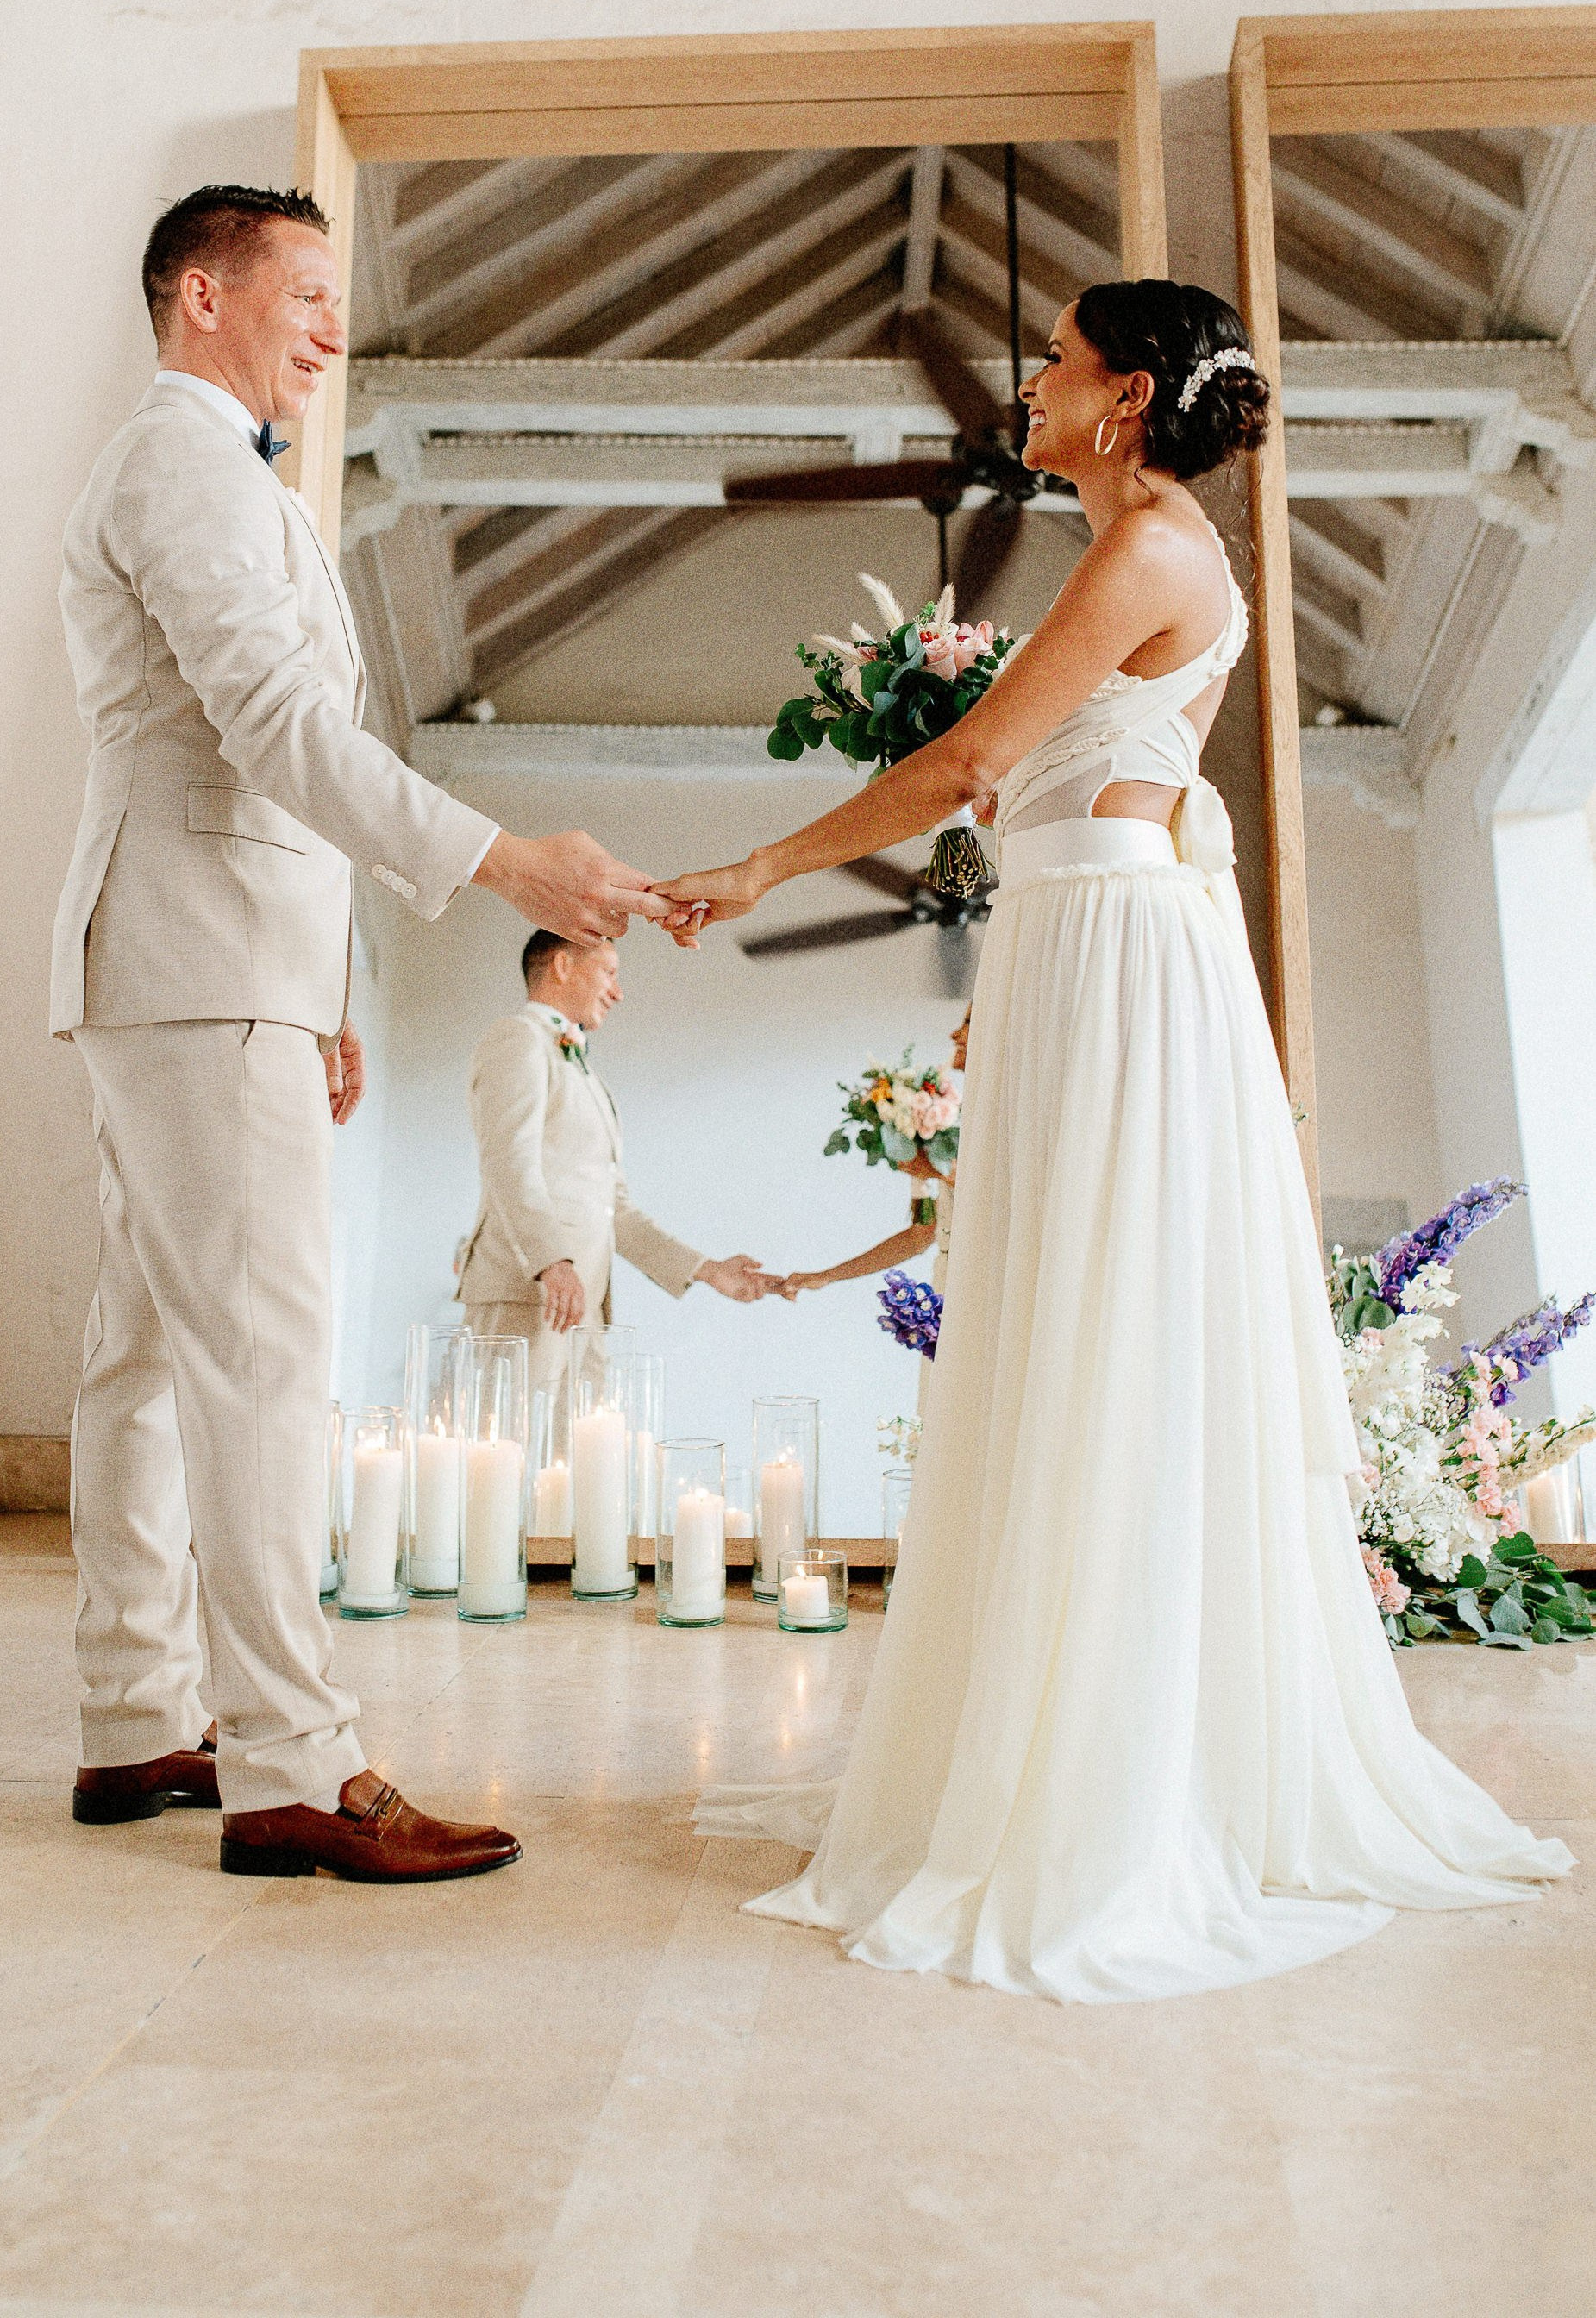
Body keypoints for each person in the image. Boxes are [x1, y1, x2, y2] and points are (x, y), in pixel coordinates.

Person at [664, 279, 1569, 2002]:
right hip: (1074, 941)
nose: (1027, 380)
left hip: (1106, 949)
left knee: (1100, 1332)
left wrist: (758, 868)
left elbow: (968, 770)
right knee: (1054, 1323)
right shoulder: (1130, 542)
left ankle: (1110, 1782)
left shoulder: (1149, 545)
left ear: (1127, 391)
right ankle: (1032, 1741)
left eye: (1059, 360)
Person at [55, 184, 672, 1885]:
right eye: (305, 292)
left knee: (140, 1350)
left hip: (191, 955)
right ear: (201, 294)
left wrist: (320, 988)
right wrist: (497, 858)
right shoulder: (184, 461)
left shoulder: (212, 472)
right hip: (193, 958)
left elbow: (238, 744)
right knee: (254, 1357)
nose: (333, 328)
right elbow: (267, 726)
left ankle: (135, 1718)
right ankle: (291, 1766)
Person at [460, 931, 774, 1392]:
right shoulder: (518, 1038)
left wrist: (707, 1270)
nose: (618, 991)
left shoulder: (585, 1075)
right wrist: (552, 1264)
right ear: (563, 967)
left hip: (583, 1303)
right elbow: (509, 1162)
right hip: (528, 1292)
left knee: (576, 1459)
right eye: (608, 972)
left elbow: (614, 1210)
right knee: (506, 1451)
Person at [779, 1007, 968, 1318]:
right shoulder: (935, 1125)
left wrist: (938, 1172)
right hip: (948, 1287)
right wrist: (826, 1276)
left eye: (968, 1023)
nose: (954, 1034)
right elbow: (921, 1234)